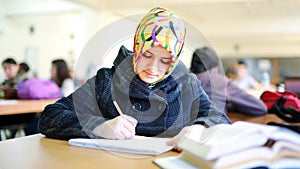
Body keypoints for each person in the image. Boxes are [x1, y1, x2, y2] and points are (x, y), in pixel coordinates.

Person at [39, 7, 230, 149]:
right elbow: (50, 117)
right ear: (137, 48)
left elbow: (220, 119)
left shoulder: (187, 83)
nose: (153, 67)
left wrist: (199, 128)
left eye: (165, 60)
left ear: (174, 60)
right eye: (147, 55)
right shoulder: (106, 81)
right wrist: (98, 126)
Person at [190, 47, 267, 116]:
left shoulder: (182, 82)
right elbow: (260, 108)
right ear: (216, 67)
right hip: (213, 130)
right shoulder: (219, 82)